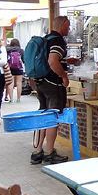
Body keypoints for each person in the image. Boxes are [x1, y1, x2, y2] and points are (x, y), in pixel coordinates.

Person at [30, 16, 72, 165]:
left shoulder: (46, 38)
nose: (69, 28)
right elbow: (52, 61)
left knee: (43, 115)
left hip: (41, 82)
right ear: (61, 26)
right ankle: (49, 153)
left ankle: (38, 151)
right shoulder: (58, 40)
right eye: (68, 26)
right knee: (52, 117)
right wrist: (63, 76)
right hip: (53, 84)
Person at [5, 38, 25, 103]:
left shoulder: (8, 50)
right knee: (19, 83)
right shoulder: (21, 50)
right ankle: (18, 99)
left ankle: (11, 99)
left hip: (10, 68)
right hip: (19, 68)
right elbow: (24, 60)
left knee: (11, 83)